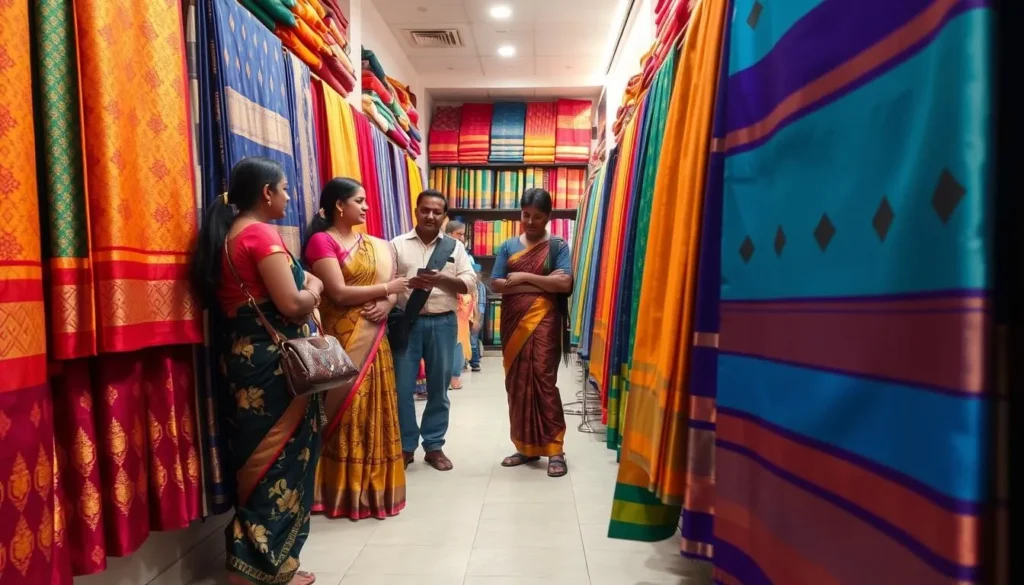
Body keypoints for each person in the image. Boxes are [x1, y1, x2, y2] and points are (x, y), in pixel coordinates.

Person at [190, 157, 324, 585]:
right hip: (275, 364)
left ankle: (259, 563)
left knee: (257, 460)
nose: (288, 197)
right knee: (280, 461)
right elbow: (291, 304)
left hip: (245, 360)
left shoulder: (229, 236)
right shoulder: (259, 234)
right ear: (266, 193)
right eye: (284, 189)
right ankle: (260, 568)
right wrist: (315, 288)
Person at [302, 177, 409, 520]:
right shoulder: (322, 241)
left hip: (376, 339)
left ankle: (372, 489)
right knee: (346, 411)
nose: (365, 207)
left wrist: (389, 302)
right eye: (359, 201)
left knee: (374, 411)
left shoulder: (376, 246)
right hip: (342, 343)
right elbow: (338, 293)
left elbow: (391, 293)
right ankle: (338, 492)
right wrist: (388, 288)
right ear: (339, 205)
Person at [490, 188, 574, 478]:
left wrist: (524, 278)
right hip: (513, 322)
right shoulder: (508, 246)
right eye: (526, 215)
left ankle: (555, 449)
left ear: (548, 217)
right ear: (520, 213)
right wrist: (544, 283)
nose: (530, 221)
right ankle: (525, 447)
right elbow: (496, 284)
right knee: (517, 383)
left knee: (543, 380)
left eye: (538, 217)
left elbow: (564, 285)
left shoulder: (558, 247)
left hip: (545, 322)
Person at [391, 190, 476, 471]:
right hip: (407, 321)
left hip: (444, 323)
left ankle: (434, 445)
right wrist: (406, 284)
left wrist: (441, 279)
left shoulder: (454, 247)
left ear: (444, 216)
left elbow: (468, 283)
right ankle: (406, 446)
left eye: (436, 212)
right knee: (402, 389)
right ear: (416, 211)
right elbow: (387, 283)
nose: (430, 216)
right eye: (425, 210)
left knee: (439, 388)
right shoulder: (397, 245)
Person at [444, 221, 473, 390]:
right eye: (458, 234)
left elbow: (471, 282)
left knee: (459, 343)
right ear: (449, 233)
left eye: (463, 234)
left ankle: (455, 377)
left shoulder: (464, 253)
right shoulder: (444, 250)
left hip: (463, 305)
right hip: (448, 303)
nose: (462, 238)